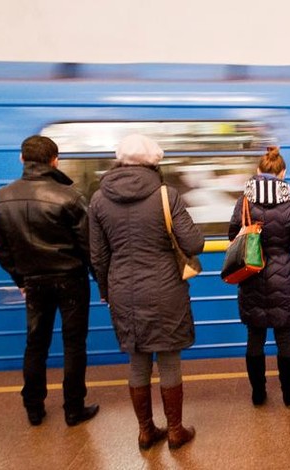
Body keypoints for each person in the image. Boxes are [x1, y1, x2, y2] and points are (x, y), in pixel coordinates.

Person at [89, 134, 204, 449]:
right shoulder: (166, 195)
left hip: (123, 291)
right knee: (169, 359)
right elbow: (194, 244)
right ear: (154, 162)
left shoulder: (98, 199)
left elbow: (98, 257)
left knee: (137, 361)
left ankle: (145, 430)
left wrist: (105, 290)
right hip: (166, 288)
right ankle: (176, 430)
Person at [0, 135, 98, 427]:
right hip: (71, 280)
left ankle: (34, 408)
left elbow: (1, 250)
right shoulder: (70, 197)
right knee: (74, 344)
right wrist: (101, 282)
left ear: (22, 160)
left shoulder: (0, 198)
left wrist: (21, 279)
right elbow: (88, 247)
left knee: (36, 343)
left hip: (34, 282)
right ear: (55, 161)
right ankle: (74, 409)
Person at [229, 146, 290, 408]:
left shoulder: (243, 203)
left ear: (258, 171)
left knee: (255, 337)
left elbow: (233, 237)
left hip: (251, 274)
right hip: (283, 277)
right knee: (284, 339)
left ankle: (258, 393)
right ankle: (288, 394)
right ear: (283, 173)